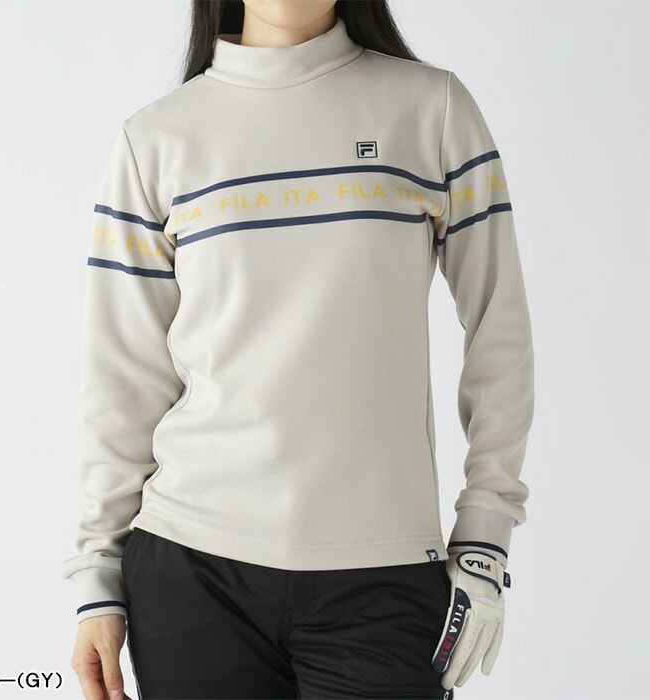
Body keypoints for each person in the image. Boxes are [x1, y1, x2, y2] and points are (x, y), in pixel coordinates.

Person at [59, 1, 535, 698]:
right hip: (191, 574)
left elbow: (500, 330)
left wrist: (486, 535)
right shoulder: (153, 140)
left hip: (384, 580)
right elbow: (122, 379)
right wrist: (97, 577)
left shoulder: (432, 110)